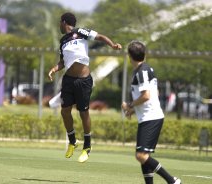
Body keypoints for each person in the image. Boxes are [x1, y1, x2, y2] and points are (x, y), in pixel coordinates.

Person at [48, 12, 122, 163]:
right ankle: (73, 141)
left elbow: (100, 37)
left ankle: (87, 146)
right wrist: (54, 69)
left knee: (83, 113)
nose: (59, 26)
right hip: (68, 80)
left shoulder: (80, 32)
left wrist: (113, 45)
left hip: (83, 80)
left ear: (64, 22)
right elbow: (62, 62)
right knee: (65, 111)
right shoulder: (62, 41)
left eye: (59, 23)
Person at [121, 41, 181, 184]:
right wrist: (133, 110)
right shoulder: (145, 69)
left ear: (130, 56)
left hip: (151, 118)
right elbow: (152, 96)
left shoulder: (141, 72)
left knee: (141, 155)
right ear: (144, 54)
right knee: (144, 155)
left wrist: (129, 105)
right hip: (148, 117)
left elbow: (146, 96)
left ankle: (172, 181)